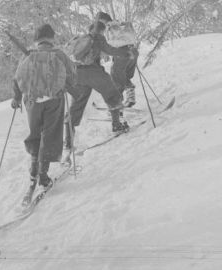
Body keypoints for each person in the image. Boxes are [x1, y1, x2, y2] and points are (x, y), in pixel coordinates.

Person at [11, 24, 76, 206]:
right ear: (52, 37)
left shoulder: (28, 55)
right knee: (50, 134)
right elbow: (72, 74)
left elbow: (17, 78)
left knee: (35, 133)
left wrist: (16, 98)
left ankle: (33, 170)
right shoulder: (59, 54)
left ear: (36, 39)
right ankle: (43, 175)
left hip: (32, 101)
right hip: (54, 100)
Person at [64, 12, 131, 156]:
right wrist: (125, 52)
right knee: (112, 94)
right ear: (101, 30)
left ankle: (68, 141)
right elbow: (111, 50)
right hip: (93, 73)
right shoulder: (98, 39)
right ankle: (117, 125)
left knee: (76, 106)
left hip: (77, 75)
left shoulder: (81, 38)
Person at [106, 21, 139, 108]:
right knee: (125, 76)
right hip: (133, 52)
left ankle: (116, 106)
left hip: (122, 54)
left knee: (116, 79)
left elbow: (111, 43)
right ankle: (130, 96)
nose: (109, 30)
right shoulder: (127, 30)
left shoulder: (114, 30)